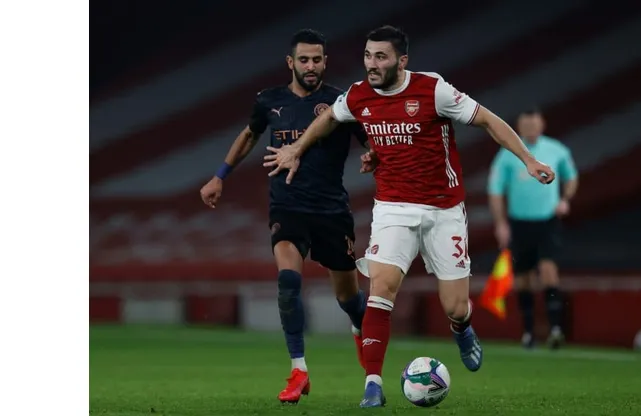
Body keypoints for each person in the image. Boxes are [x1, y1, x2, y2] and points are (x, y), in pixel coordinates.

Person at [263, 25, 555, 408]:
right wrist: (297, 149)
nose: (371, 64)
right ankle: (372, 384)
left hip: (443, 210)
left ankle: (462, 327)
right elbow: (330, 118)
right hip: (393, 208)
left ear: (401, 61)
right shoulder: (358, 95)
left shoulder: (433, 90)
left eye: (380, 57)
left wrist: (528, 160)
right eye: (368, 55)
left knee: (455, 306)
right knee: (381, 289)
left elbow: (487, 120)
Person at [199, 29, 374, 404]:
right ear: (290, 62)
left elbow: (370, 138)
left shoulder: (340, 102)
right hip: (287, 206)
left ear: (325, 62)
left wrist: (373, 154)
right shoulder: (269, 100)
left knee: (348, 298)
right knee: (288, 282)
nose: (311, 66)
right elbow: (250, 135)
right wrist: (219, 176)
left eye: (317, 60)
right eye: (304, 60)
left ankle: (360, 331)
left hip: (331, 211)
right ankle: (299, 370)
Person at [487, 108, 578, 350]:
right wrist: (500, 223)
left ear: (542, 125)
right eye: (526, 126)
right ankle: (528, 333)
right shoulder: (508, 154)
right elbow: (495, 190)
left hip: (547, 221)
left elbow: (571, 177)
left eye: (534, 125)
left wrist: (565, 199)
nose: (530, 130)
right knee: (523, 279)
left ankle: (555, 329)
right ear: (519, 127)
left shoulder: (556, 150)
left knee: (548, 271)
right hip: (519, 223)